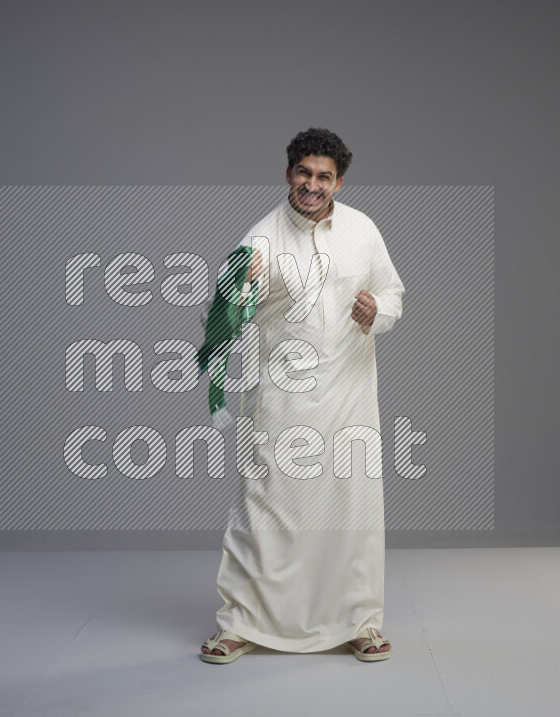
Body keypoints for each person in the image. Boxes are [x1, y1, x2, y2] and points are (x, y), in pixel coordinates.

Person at [198, 128, 405, 663]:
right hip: (281, 402)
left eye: (324, 177)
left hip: (351, 397)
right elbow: (213, 316)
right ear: (289, 173)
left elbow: (393, 294)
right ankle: (240, 623)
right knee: (263, 510)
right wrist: (236, 290)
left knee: (352, 510)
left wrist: (375, 313)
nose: (312, 186)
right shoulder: (260, 239)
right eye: (304, 174)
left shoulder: (362, 230)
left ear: (339, 181)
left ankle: (361, 621)